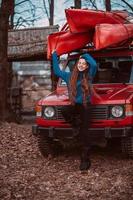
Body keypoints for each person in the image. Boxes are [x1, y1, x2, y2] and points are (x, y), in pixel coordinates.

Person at [52, 50, 100, 171]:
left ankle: (85, 159)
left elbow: (94, 64)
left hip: (86, 105)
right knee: (64, 110)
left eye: (84, 63)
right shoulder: (69, 76)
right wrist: (54, 55)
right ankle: (76, 125)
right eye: (80, 63)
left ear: (86, 65)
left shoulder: (89, 75)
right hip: (75, 105)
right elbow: (57, 71)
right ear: (77, 64)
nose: (82, 64)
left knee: (84, 133)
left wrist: (83, 55)